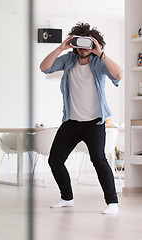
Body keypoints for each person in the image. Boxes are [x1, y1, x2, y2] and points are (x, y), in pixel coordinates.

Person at [39, 22, 122, 215]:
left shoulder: (98, 61)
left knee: (99, 160)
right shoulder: (68, 59)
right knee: (55, 160)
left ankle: (112, 203)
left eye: (87, 44)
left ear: (93, 44)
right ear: (74, 43)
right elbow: (44, 67)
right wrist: (61, 47)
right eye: (79, 43)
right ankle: (66, 198)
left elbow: (118, 74)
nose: (83, 48)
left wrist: (100, 53)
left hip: (95, 122)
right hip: (71, 121)